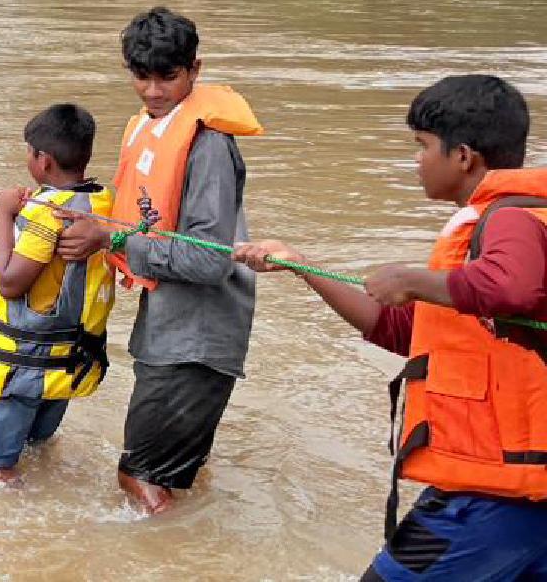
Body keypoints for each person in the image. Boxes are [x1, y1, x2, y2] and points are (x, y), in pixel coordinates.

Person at [234, 75, 547, 581]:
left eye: (422, 147)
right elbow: (399, 330)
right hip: (517, 488)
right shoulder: (491, 226)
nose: (416, 161)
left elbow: (513, 288)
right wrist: (301, 266)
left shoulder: (510, 218)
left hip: (494, 495)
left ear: (463, 155)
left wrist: (411, 278)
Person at [57, 7, 262, 514]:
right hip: (175, 328)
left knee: (138, 477)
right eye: (141, 76)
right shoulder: (154, 125)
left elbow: (208, 260)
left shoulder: (208, 145)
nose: (153, 91)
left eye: (167, 77)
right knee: (178, 475)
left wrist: (112, 240)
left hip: (195, 341)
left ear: (195, 69)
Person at [0, 104, 115, 481]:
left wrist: (5, 215)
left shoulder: (48, 214)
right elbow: (44, 256)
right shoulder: (94, 201)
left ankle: (15, 532)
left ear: (45, 161)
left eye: (28, 152)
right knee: (37, 449)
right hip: (61, 361)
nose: (27, 159)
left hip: (23, 366)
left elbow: (10, 283)